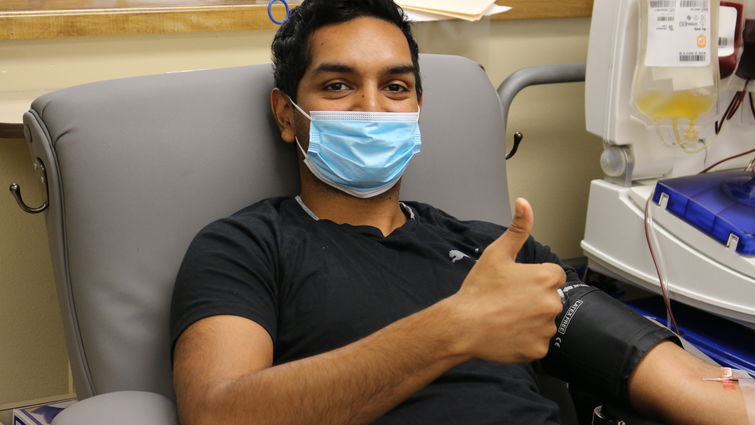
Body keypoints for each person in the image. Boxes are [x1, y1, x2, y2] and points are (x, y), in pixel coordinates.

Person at [169, 1, 751, 424]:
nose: (373, 108)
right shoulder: (245, 247)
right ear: (286, 113)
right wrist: (453, 328)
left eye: (396, 88)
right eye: (340, 86)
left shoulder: (497, 253)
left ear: (418, 105)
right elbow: (218, 415)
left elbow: (680, 381)